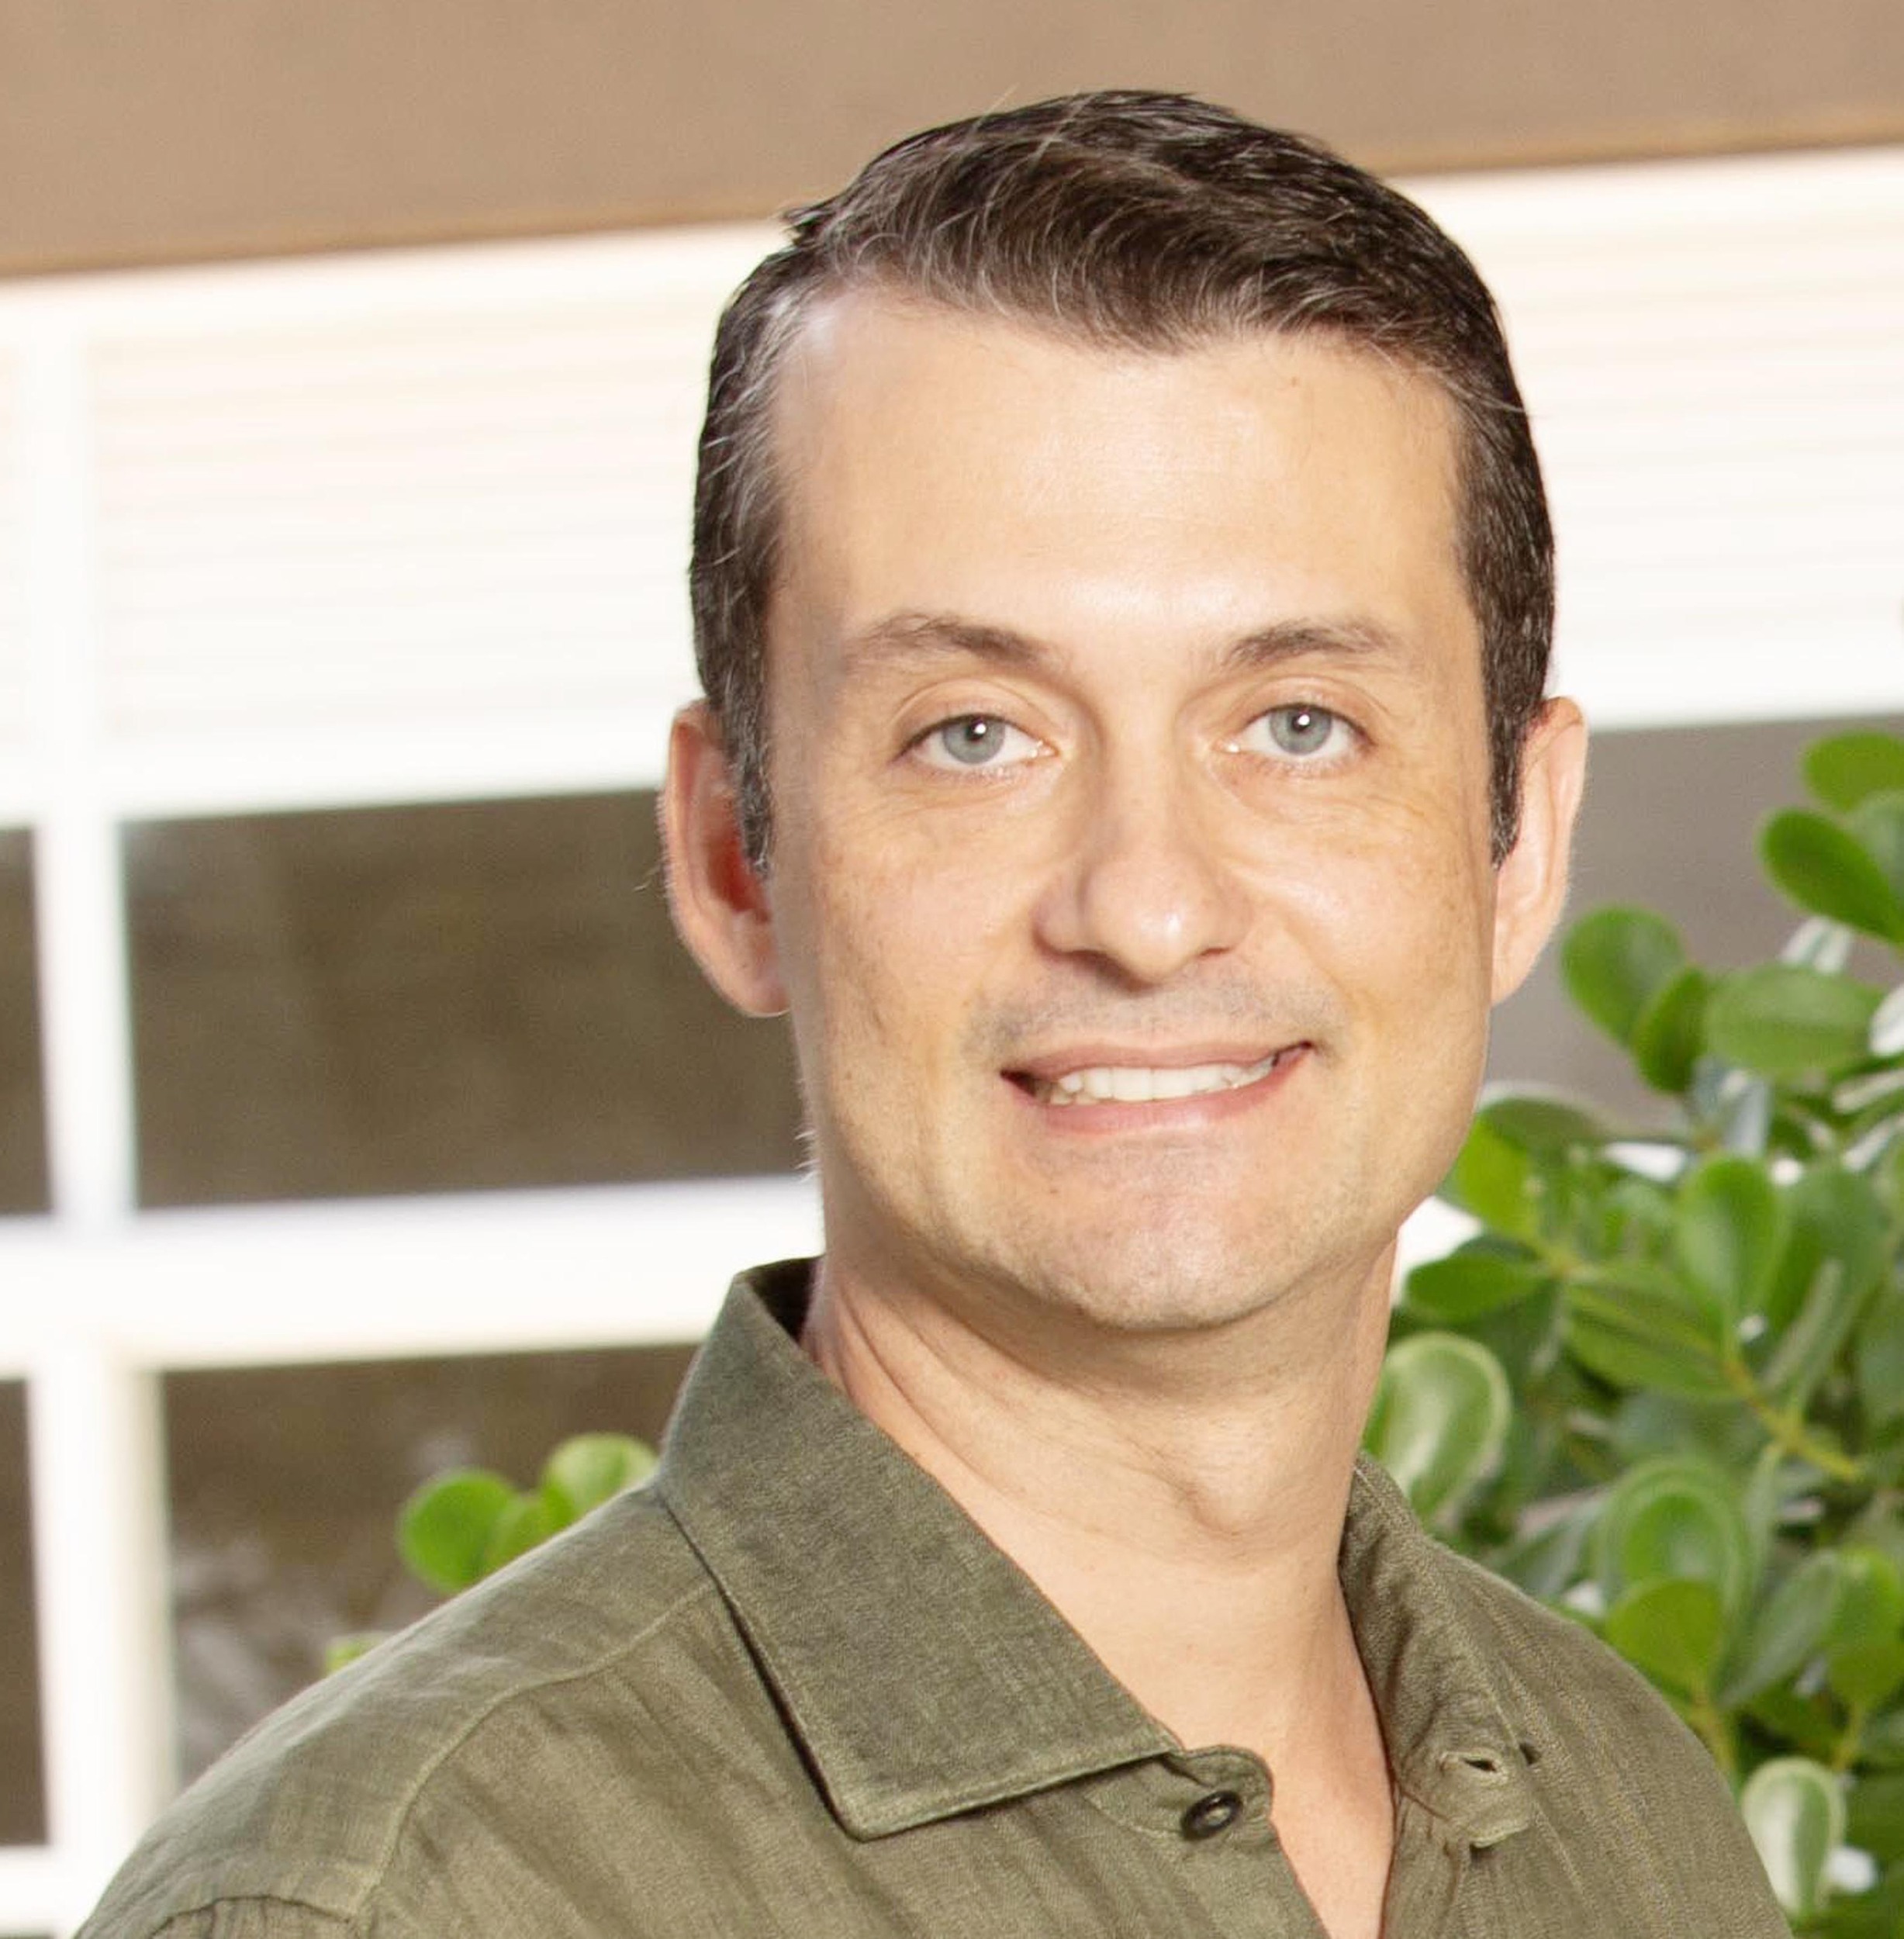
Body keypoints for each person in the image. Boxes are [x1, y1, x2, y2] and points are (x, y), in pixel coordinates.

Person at [81, 91, 1791, 1939]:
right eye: (973, 733)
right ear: (733, 856)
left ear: (1519, 839)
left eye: (1298, 723)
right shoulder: (393, 1905)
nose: (1146, 904)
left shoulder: (1631, 1818)